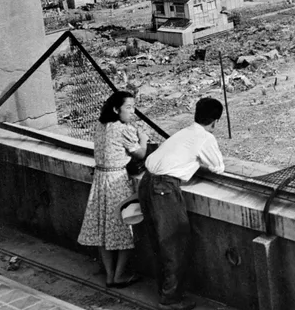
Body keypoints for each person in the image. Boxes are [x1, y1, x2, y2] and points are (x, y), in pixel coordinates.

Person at [138, 97, 225, 310]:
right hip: (164, 188)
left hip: (146, 181)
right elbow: (218, 167)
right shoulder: (205, 137)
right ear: (214, 121)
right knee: (175, 243)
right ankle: (170, 300)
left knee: (158, 241)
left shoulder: (183, 132)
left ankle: (165, 291)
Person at [78, 90, 148, 288]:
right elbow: (141, 154)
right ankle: (119, 276)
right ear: (116, 109)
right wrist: (142, 137)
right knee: (125, 227)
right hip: (117, 180)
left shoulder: (100, 125)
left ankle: (110, 274)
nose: (132, 111)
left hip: (100, 180)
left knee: (103, 230)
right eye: (128, 107)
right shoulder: (123, 129)